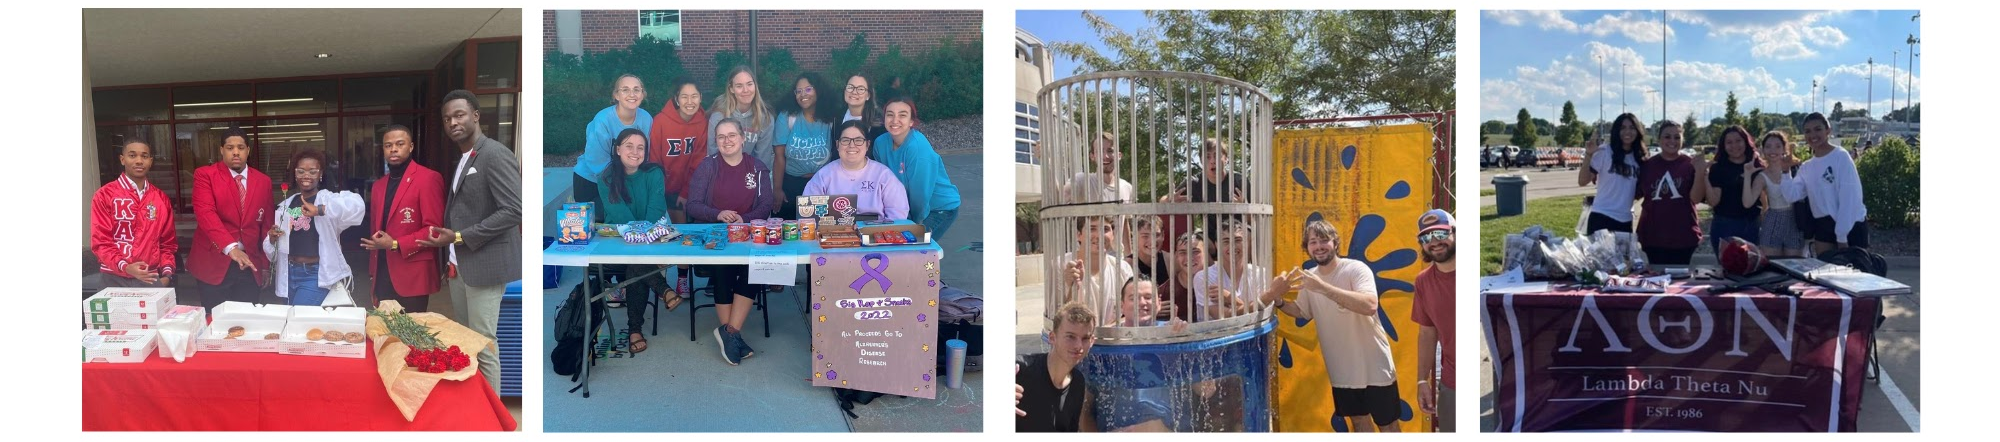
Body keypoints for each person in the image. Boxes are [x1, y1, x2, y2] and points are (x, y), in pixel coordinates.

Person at [418, 90, 522, 393]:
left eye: (460, 114)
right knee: (467, 341)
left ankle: (494, 421)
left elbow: (514, 209)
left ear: (476, 115)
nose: (453, 122)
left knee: (483, 344)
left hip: (484, 266)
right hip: (460, 266)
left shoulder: (494, 153)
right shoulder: (466, 156)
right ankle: (477, 410)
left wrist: (462, 236)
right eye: (448, 118)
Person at [1259, 219, 1399, 432]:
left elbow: (1370, 304)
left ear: (1335, 243)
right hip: (1342, 370)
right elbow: (1301, 311)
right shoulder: (1310, 278)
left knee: (1388, 424)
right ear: (1307, 248)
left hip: (1374, 365)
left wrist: (1324, 288)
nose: (1319, 246)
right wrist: (1278, 300)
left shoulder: (1355, 269)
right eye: (1313, 242)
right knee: (1359, 422)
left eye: (1324, 240)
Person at [687, 118, 778, 365]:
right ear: (716, 141)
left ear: (742, 138)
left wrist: (743, 219)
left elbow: (766, 205)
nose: (727, 141)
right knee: (722, 270)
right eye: (721, 137)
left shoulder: (757, 167)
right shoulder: (708, 167)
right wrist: (717, 214)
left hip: (748, 234)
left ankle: (729, 332)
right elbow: (693, 205)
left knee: (755, 268)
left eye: (732, 135)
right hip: (717, 236)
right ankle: (732, 335)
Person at [599, 128, 673, 353]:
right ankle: (663, 290)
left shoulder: (654, 174)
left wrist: (641, 234)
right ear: (618, 149)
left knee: (636, 265)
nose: (635, 151)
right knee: (636, 264)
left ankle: (635, 330)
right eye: (629, 146)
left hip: (648, 245)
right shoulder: (606, 179)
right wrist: (640, 233)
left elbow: (656, 208)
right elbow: (620, 216)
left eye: (640, 147)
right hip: (617, 247)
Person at [360, 125, 445, 313]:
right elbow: (377, 231)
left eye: (400, 144)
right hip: (383, 272)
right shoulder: (379, 186)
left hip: (412, 273)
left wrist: (396, 243)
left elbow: (434, 230)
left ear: (411, 146)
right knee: (385, 332)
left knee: (412, 337)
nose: (393, 149)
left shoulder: (428, 178)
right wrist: (373, 272)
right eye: (388, 145)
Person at [263, 150, 364, 306]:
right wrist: (271, 239)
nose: (306, 175)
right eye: (301, 171)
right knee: (294, 320)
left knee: (298, 318)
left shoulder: (327, 199)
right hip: (288, 273)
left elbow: (357, 206)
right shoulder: (286, 205)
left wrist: (320, 210)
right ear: (295, 174)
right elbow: (273, 255)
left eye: (312, 171)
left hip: (314, 275)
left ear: (320, 174)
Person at [189, 127, 274, 310]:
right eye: (230, 147)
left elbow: (266, 227)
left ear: (248, 150)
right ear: (221, 150)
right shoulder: (205, 175)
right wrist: (231, 248)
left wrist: (265, 265)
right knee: (215, 322)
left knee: (247, 322)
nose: (236, 152)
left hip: (250, 266)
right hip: (214, 263)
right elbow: (206, 215)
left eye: (241, 147)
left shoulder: (263, 181)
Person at [648, 78, 709, 303]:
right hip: (660, 184)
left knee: (683, 231)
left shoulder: (702, 122)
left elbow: (698, 160)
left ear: (701, 98)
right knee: (658, 233)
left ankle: (682, 277)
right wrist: (658, 191)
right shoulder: (661, 121)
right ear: (676, 99)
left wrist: (685, 191)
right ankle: (656, 278)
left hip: (687, 187)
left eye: (694, 96)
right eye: (684, 96)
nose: (690, 101)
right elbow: (654, 158)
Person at [1777, 113, 1868, 254]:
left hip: (1850, 224)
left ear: (1828, 130)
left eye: (1817, 129)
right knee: (1826, 273)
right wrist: (1785, 171)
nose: (1813, 134)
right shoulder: (1807, 166)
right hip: (1823, 226)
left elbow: (1849, 198)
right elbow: (1791, 195)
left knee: (1852, 273)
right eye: (1807, 131)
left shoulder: (1841, 156)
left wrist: (1842, 236)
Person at [873, 97, 963, 237]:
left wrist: (914, 224)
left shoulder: (917, 148)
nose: (895, 120)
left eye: (902, 115)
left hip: (937, 208)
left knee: (913, 248)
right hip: (908, 207)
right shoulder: (880, 143)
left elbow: (920, 195)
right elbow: (883, 182)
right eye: (890, 114)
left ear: (911, 122)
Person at [92, 139, 177, 288]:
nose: (139, 161)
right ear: (122, 159)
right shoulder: (105, 195)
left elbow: (167, 242)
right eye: (132, 155)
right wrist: (125, 266)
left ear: (150, 161)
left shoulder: (160, 198)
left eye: (144, 156)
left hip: (149, 276)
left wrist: (167, 274)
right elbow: (101, 241)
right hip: (113, 277)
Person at [1015, 300, 1099, 432]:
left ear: (1092, 341)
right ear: (1052, 337)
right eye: (1070, 337)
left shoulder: (1078, 382)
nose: (1078, 346)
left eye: (1085, 338)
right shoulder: (1021, 369)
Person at [573, 74, 653, 211]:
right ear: (616, 95)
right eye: (625, 89)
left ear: (642, 94)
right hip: (592, 181)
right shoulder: (603, 120)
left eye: (636, 89)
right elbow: (596, 161)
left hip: (624, 180)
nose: (631, 94)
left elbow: (643, 154)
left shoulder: (646, 119)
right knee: (601, 227)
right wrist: (623, 183)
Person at [803, 120, 909, 220]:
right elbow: (808, 216)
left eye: (858, 140)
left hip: (875, 235)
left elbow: (898, 216)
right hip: (834, 235)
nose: (852, 145)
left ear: (867, 145)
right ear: (837, 145)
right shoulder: (824, 175)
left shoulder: (884, 176)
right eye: (845, 140)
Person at [1410, 209, 1456, 432]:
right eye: (1426, 237)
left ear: (1455, 233)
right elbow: (1427, 334)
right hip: (1451, 382)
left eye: (1440, 233)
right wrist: (1422, 381)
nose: (1434, 242)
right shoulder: (1423, 281)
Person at [1634, 120, 1702, 265]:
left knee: (1678, 281)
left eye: (1677, 137)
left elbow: (1696, 198)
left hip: (1683, 236)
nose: (1672, 141)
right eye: (1667, 136)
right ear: (1659, 139)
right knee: (1656, 280)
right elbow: (1634, 194)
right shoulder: (1647, 166)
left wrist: (1701, 172)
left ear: (1683, 140)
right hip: (1653, 236)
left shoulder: (1690, 165)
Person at [774, 72, 838, 218]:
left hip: (822, 185)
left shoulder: (830, 118)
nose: (803, 94)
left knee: (819, 230)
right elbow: (779, 156)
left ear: (818, 91)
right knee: (790, 233)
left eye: (808, 89)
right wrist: (777, 189)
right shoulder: (787, 117)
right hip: (792, 184)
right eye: (798, 91)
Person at [1160, 138, 1245, 243]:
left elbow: (1255, 217)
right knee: (1192, 242)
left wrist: (1244, 207)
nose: (1213, 161)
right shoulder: (1194, 183)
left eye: (1217, 156)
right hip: (1210, 238)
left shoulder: (1239, 181)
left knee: (1248, 235)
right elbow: (1161, 203)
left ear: (1226, 158)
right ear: (1201, 161)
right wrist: (1169, 199)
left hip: (1238, 234)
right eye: (1207, 157)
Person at [1578, 113, 1647, 234]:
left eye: (1632, 128)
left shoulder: (1640, 158)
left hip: (1625, 220)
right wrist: (1588, 155)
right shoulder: (1605, 151)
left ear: (1637, 131)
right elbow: (1582, 181)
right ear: (1616, 130)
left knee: (1624, 254)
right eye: (1623, 128)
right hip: (1602, 217)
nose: (1627, 131)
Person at [1061, 216, 1136, 326]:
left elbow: (1132, 313)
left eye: (1105, 229)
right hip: (1076, 341)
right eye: (1092, 229)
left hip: (1112, 340)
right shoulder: (1061, 266)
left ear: (1113, 235)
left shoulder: (1123, 269)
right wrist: (1071, 287)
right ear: (1078, 235)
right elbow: (1056, 318)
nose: (1099, 235)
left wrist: (1105, 330)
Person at [1702, 125, 1764, 255]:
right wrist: (1706, 177)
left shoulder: (1756, 165)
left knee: (1752, 270)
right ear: (1723, 146)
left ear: (1746, 142)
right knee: (1727, 270)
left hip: (1752, 225)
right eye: (1729, 142)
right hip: (1725, 225)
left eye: (1738, 140)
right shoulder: (1718, 168)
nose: (1734, 145)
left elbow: (1765, 199)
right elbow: (1713, 201)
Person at [1189, 222, 1266, 322]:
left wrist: (1231, 298)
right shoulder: (1204, 277)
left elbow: (1259, 314)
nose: (1232, 246)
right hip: (1215, 336)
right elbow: (1222, 317)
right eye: (1226, 241)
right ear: (1217, 245)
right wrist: (1253, 305)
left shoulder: (1259, 273)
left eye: (1238, 240)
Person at [1750, 131, 1806, 257]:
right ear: (1763, 150)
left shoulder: (1797, 168)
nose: (1772, 150)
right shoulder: (1762, 175)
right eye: (1768, 146)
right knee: (1772, 265)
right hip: (1773, 219)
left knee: (1794, 265)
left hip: (1795, 220)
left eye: (1777, 146)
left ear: (1784, 148)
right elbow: (1749, 202)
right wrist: (1748, 175)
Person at [710, 66, 777, 171]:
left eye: (749, 84)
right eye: (739, 86)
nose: (746, 90)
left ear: (755, 85)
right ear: (731, 89)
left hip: (750, 174)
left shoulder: (765, 118)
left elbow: (763, 160)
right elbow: (712, 154)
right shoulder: (719, 116)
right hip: (722, 174)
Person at [1066, 132, 1135, 204]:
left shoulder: (1128, 188)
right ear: (1092, 156)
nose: (1105, 156)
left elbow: (1131, 215)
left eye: (1110, 151)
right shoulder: (1082, 180)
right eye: (1100, 151)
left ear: (1119, 156)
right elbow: (1060, 198)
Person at [1126, 216, 1171, 308]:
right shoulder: (1127, 265)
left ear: (1163, 235)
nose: (1152, 241)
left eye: (1157, 235)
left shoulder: (1170, 260)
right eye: (1145, 236)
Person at [1164, 231, 1207, 323]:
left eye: (1195, 252)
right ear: (1176, 256)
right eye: (1183, 252)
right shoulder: (1164, 292)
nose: (1189, 258)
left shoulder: (1219, 283)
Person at [839, 73, 888, 141]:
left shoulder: (880, 122)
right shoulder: (836, 117)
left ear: (868, 96)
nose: (854, 92)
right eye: (850, 87)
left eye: (861, 89)